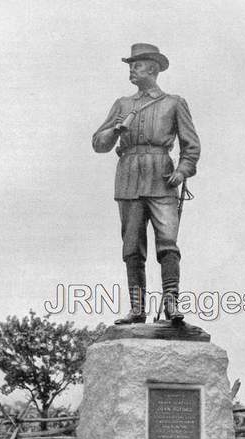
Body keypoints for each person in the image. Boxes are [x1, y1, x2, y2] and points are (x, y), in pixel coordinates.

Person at [92, 43, 201, 324]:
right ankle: (137, 310)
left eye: (137, 65)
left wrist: (183, 170)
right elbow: (99, 144)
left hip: (162, 178)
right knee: (132, 248)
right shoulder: (122, 105)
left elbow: (191, 146)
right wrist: (115, 130)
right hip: (128, 177)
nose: (132, 69)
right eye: (131, 65)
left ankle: (172, 306)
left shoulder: (174, 103)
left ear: (152, 68)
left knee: (168, 245)